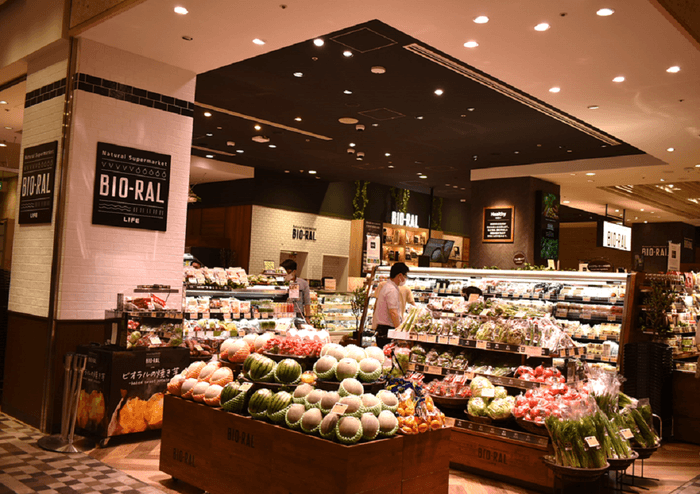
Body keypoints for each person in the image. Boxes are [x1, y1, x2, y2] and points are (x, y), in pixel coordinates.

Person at [373, 262, 409, 348]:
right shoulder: (391, 290)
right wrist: (399, 333)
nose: (405, 278)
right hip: (387, 331)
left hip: (383, 329)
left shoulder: (387, 287)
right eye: (405, 276)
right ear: (400, 275)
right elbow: (393, 313)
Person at [280, 259, 311, 324]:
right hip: (283, 313)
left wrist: (307, 316)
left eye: (287, 272)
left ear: (294, 271)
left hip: (298, 313)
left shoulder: (303, 283)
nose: (285, 275)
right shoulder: (280, 283)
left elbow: (307, 301)